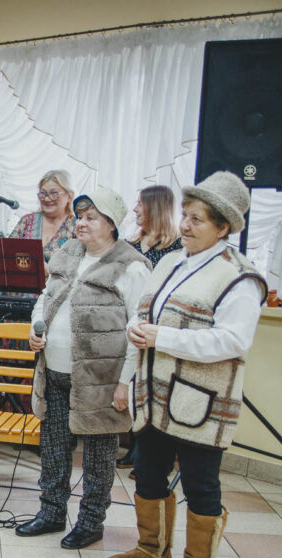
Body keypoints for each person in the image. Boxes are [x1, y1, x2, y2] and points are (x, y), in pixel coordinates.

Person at [108, 171, 266, 558]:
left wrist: (163, 337)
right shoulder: (175, 261)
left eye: (198, 219)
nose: (186, 226)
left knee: (200, 482)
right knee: (147, 471)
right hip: (156, 396)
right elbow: (148, 310)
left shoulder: (240, 276)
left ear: (224, 227)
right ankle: (152, 549)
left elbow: (233, 341)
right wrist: (138, 328)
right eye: (186, 216)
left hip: (202, 402)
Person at [15, 188, 150, 549]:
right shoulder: (69, 252)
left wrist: (125, 383)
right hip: (55, 372)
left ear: (111, 223)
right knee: (54, 447)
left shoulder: (131, 265)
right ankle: (51, 512)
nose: (82, 223)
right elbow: (44, 298)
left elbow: (140, 327)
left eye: (91, 218)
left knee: (98, 455)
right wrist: (35, 329)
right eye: (80, 217)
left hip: (100, 382)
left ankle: (91, 522)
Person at [116, 185, 183, 470]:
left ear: (155, 208)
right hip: (129, 324)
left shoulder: (177, 248)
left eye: (140, 204)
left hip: (158, 331)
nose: (134, 210)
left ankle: (150, 454)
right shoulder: (129, 244)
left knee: (153, 393)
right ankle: (133, 446)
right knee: (131, 387)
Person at [8, 169, 78, 263]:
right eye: (43, 193)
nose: (47, 199)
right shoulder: (27, 221)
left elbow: (80, 264)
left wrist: (49, 270)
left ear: (69, 196)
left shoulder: (77, 226)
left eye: (54, 193)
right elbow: (7, 254)